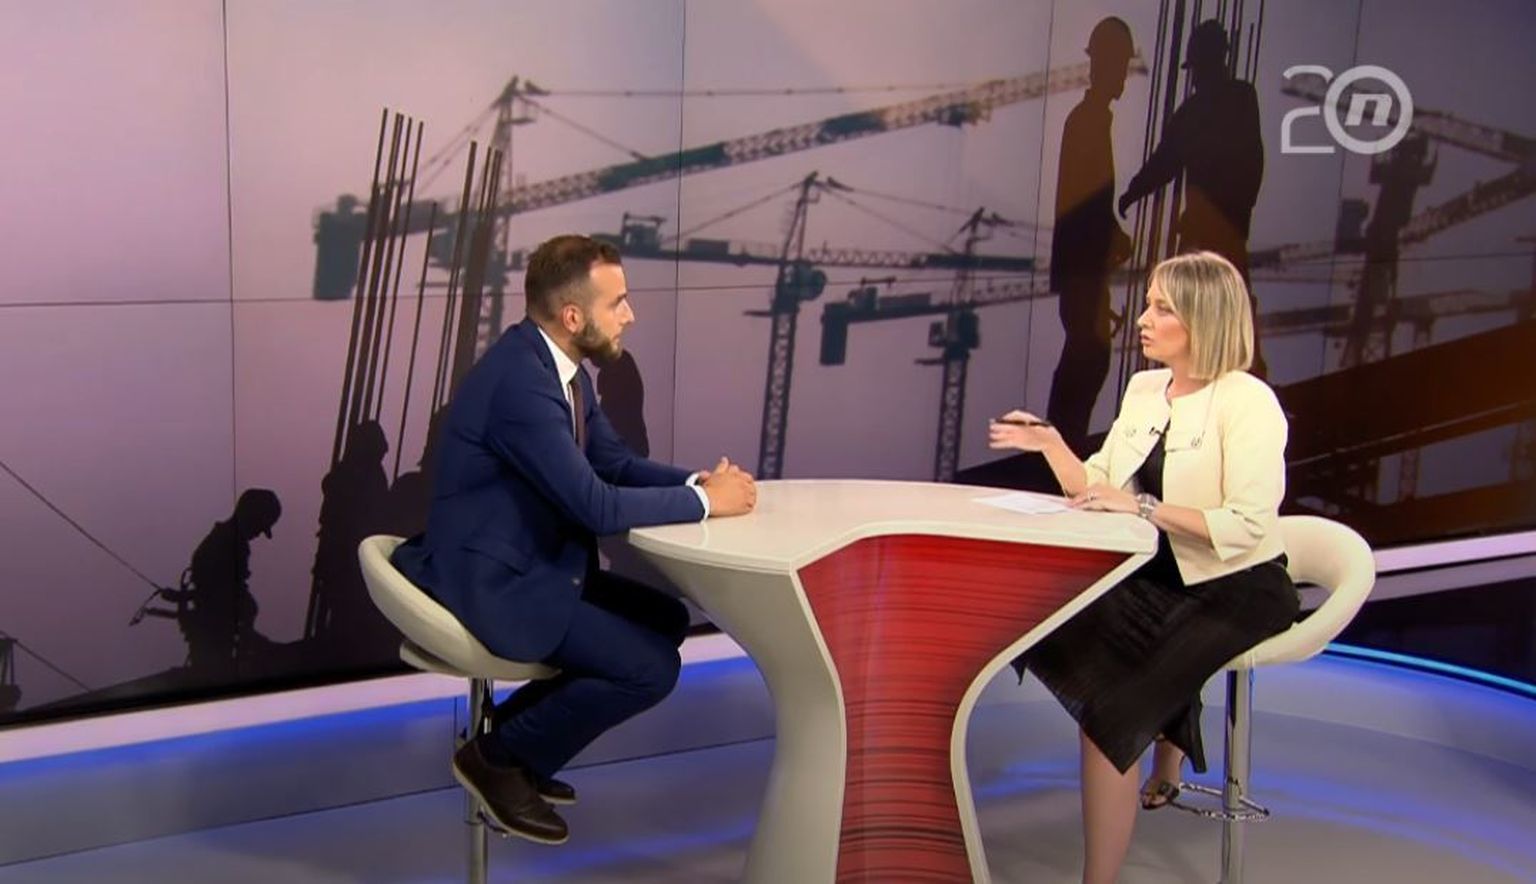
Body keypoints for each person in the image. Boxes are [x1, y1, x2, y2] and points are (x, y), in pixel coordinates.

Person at [391, 234, 757, 845]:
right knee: (652, 670)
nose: (629, 316)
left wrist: (699, 483)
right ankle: (498, 759)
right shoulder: (521, 384)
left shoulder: (560, 370)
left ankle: (510, 745)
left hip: (535, 563)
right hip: (497, 581)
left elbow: (614, 463)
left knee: (666, 618)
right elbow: (595, 504)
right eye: (618, 303)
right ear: (572, 316)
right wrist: (705, 504)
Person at [988, 251, 1297, 884]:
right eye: (1148, 303)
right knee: (1060, 619)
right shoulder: (1144, 389)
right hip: (1156, 569)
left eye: (1162, 309)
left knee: (1111, 707)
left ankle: (1100, 873)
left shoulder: (1249, 403)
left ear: (1203, 320)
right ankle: (1168, 732)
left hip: (1234, 583)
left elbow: (1246, 525)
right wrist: (1051, 444)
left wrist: (1145, 508)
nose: (1142, 320)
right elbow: (1098, 487)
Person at [1117, 19, 1266, 375]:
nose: (1195, 77)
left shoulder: (1203, 109)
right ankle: (1238, 374)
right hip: (1219, 227)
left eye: (1197, 67)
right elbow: (1166, 162)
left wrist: (1133, 191)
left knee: (1199, 308)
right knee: (1223, 307)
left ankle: (1225, 376)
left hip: (1211, 227)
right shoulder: (1234, 100)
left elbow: (1164, 162)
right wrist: (1134, 190)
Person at [1046, 16, 1135, 452]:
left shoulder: (1092, 120)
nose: (1123, 76)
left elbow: (1086, 200)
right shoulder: (1087, 122)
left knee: (1087, 359)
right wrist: (1109, 240)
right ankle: (1059, 452)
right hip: (1083, 271)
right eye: (1120, 65)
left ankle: (1059, 449)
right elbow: (1083, 201)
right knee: (1088, 358)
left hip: (1083, 270)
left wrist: (1112, 236)